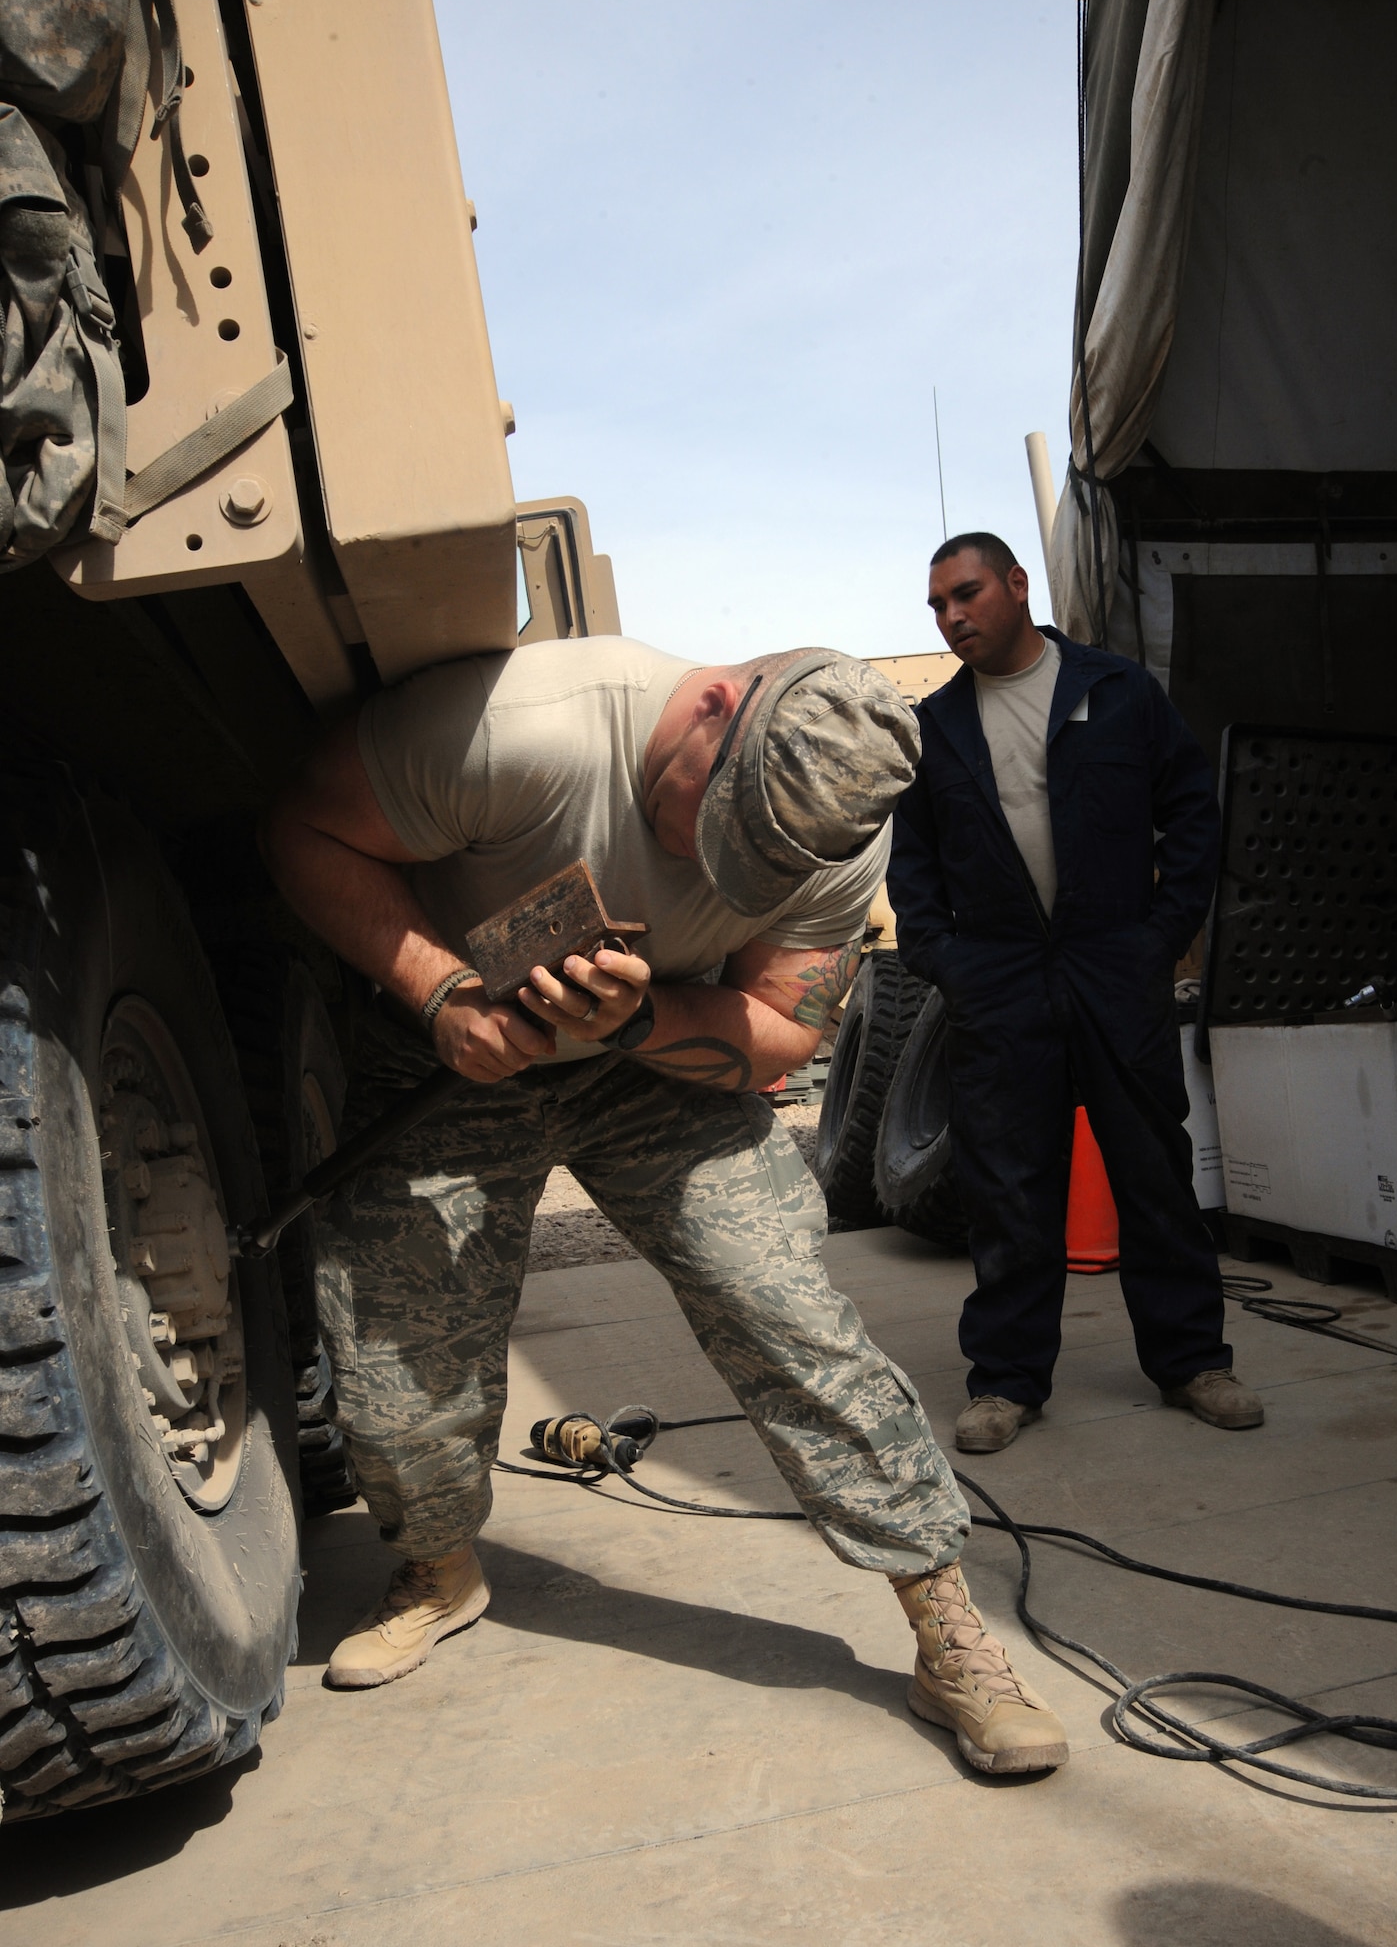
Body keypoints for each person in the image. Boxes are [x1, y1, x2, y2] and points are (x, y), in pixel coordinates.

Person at [262, 632, 1069, 1774]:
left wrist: (638, 1024)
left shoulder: (828, 833)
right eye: (714, 829)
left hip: (654, 1058)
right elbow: (301, 830)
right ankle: (439, 1565)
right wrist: (441, 993)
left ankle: (944, 1622)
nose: (720, 872)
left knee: (782, 1309)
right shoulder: (517, 729)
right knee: (397, 1369)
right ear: (706, 707)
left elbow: (785, 1024)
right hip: (445, 1053)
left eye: (758, 866)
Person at [888, 533, 1263, 1454]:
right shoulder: (937, 729)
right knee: (1007, 1188)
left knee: (1152, 1172)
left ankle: (1191, 1362)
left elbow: (1191, 814)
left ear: (1017, 586)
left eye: (966, 594)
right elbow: (916, 873)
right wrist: (954, 964)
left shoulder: (1115, 692)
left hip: (1112, 965)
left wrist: (1158, 937)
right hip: (1002, 982)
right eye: (936, 606)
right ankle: (1008, 1382)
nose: (951, 617)